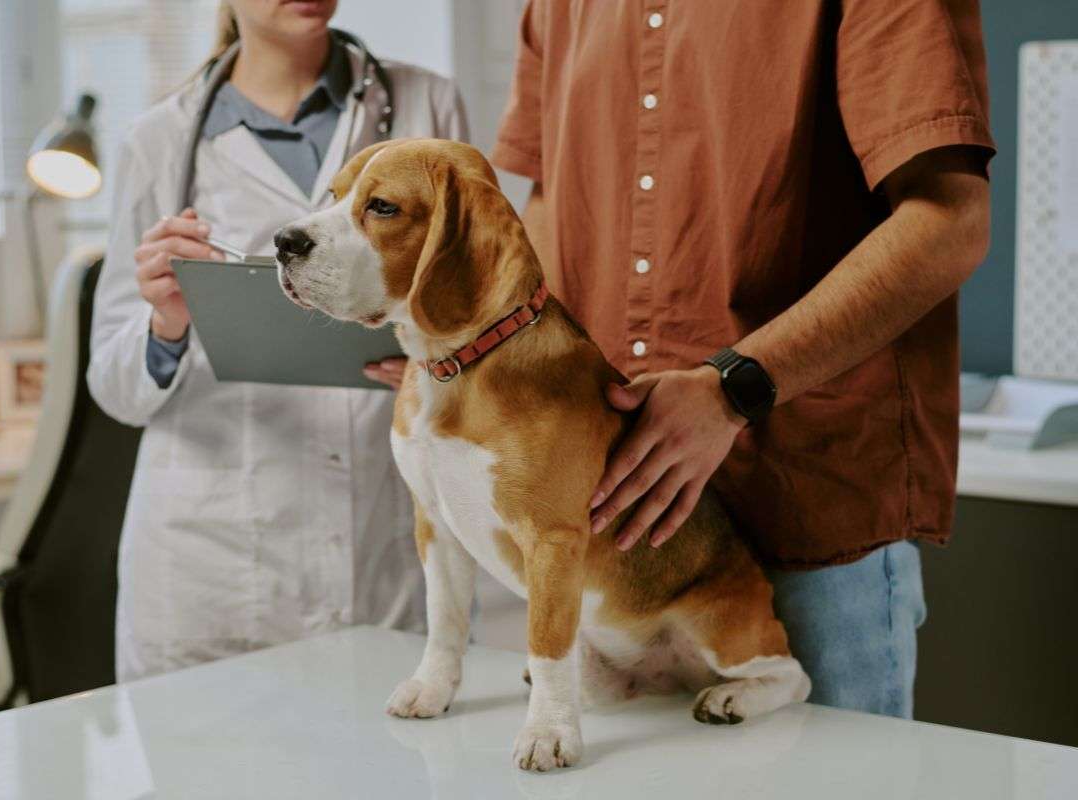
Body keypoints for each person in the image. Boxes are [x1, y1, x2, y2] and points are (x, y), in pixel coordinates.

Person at [493, 0, 993, 717]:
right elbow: (551, 200)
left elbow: (950, 222)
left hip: (807, 508)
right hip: (616, 527)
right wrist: (478, 349)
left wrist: (733, 388)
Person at [88, 0, 467, 682]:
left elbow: (478, 306)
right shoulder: (158, 140)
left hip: (379, 540)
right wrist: (166, 322)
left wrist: (435, 358)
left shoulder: (424, 105)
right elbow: (115, 389)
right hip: (212, 566)